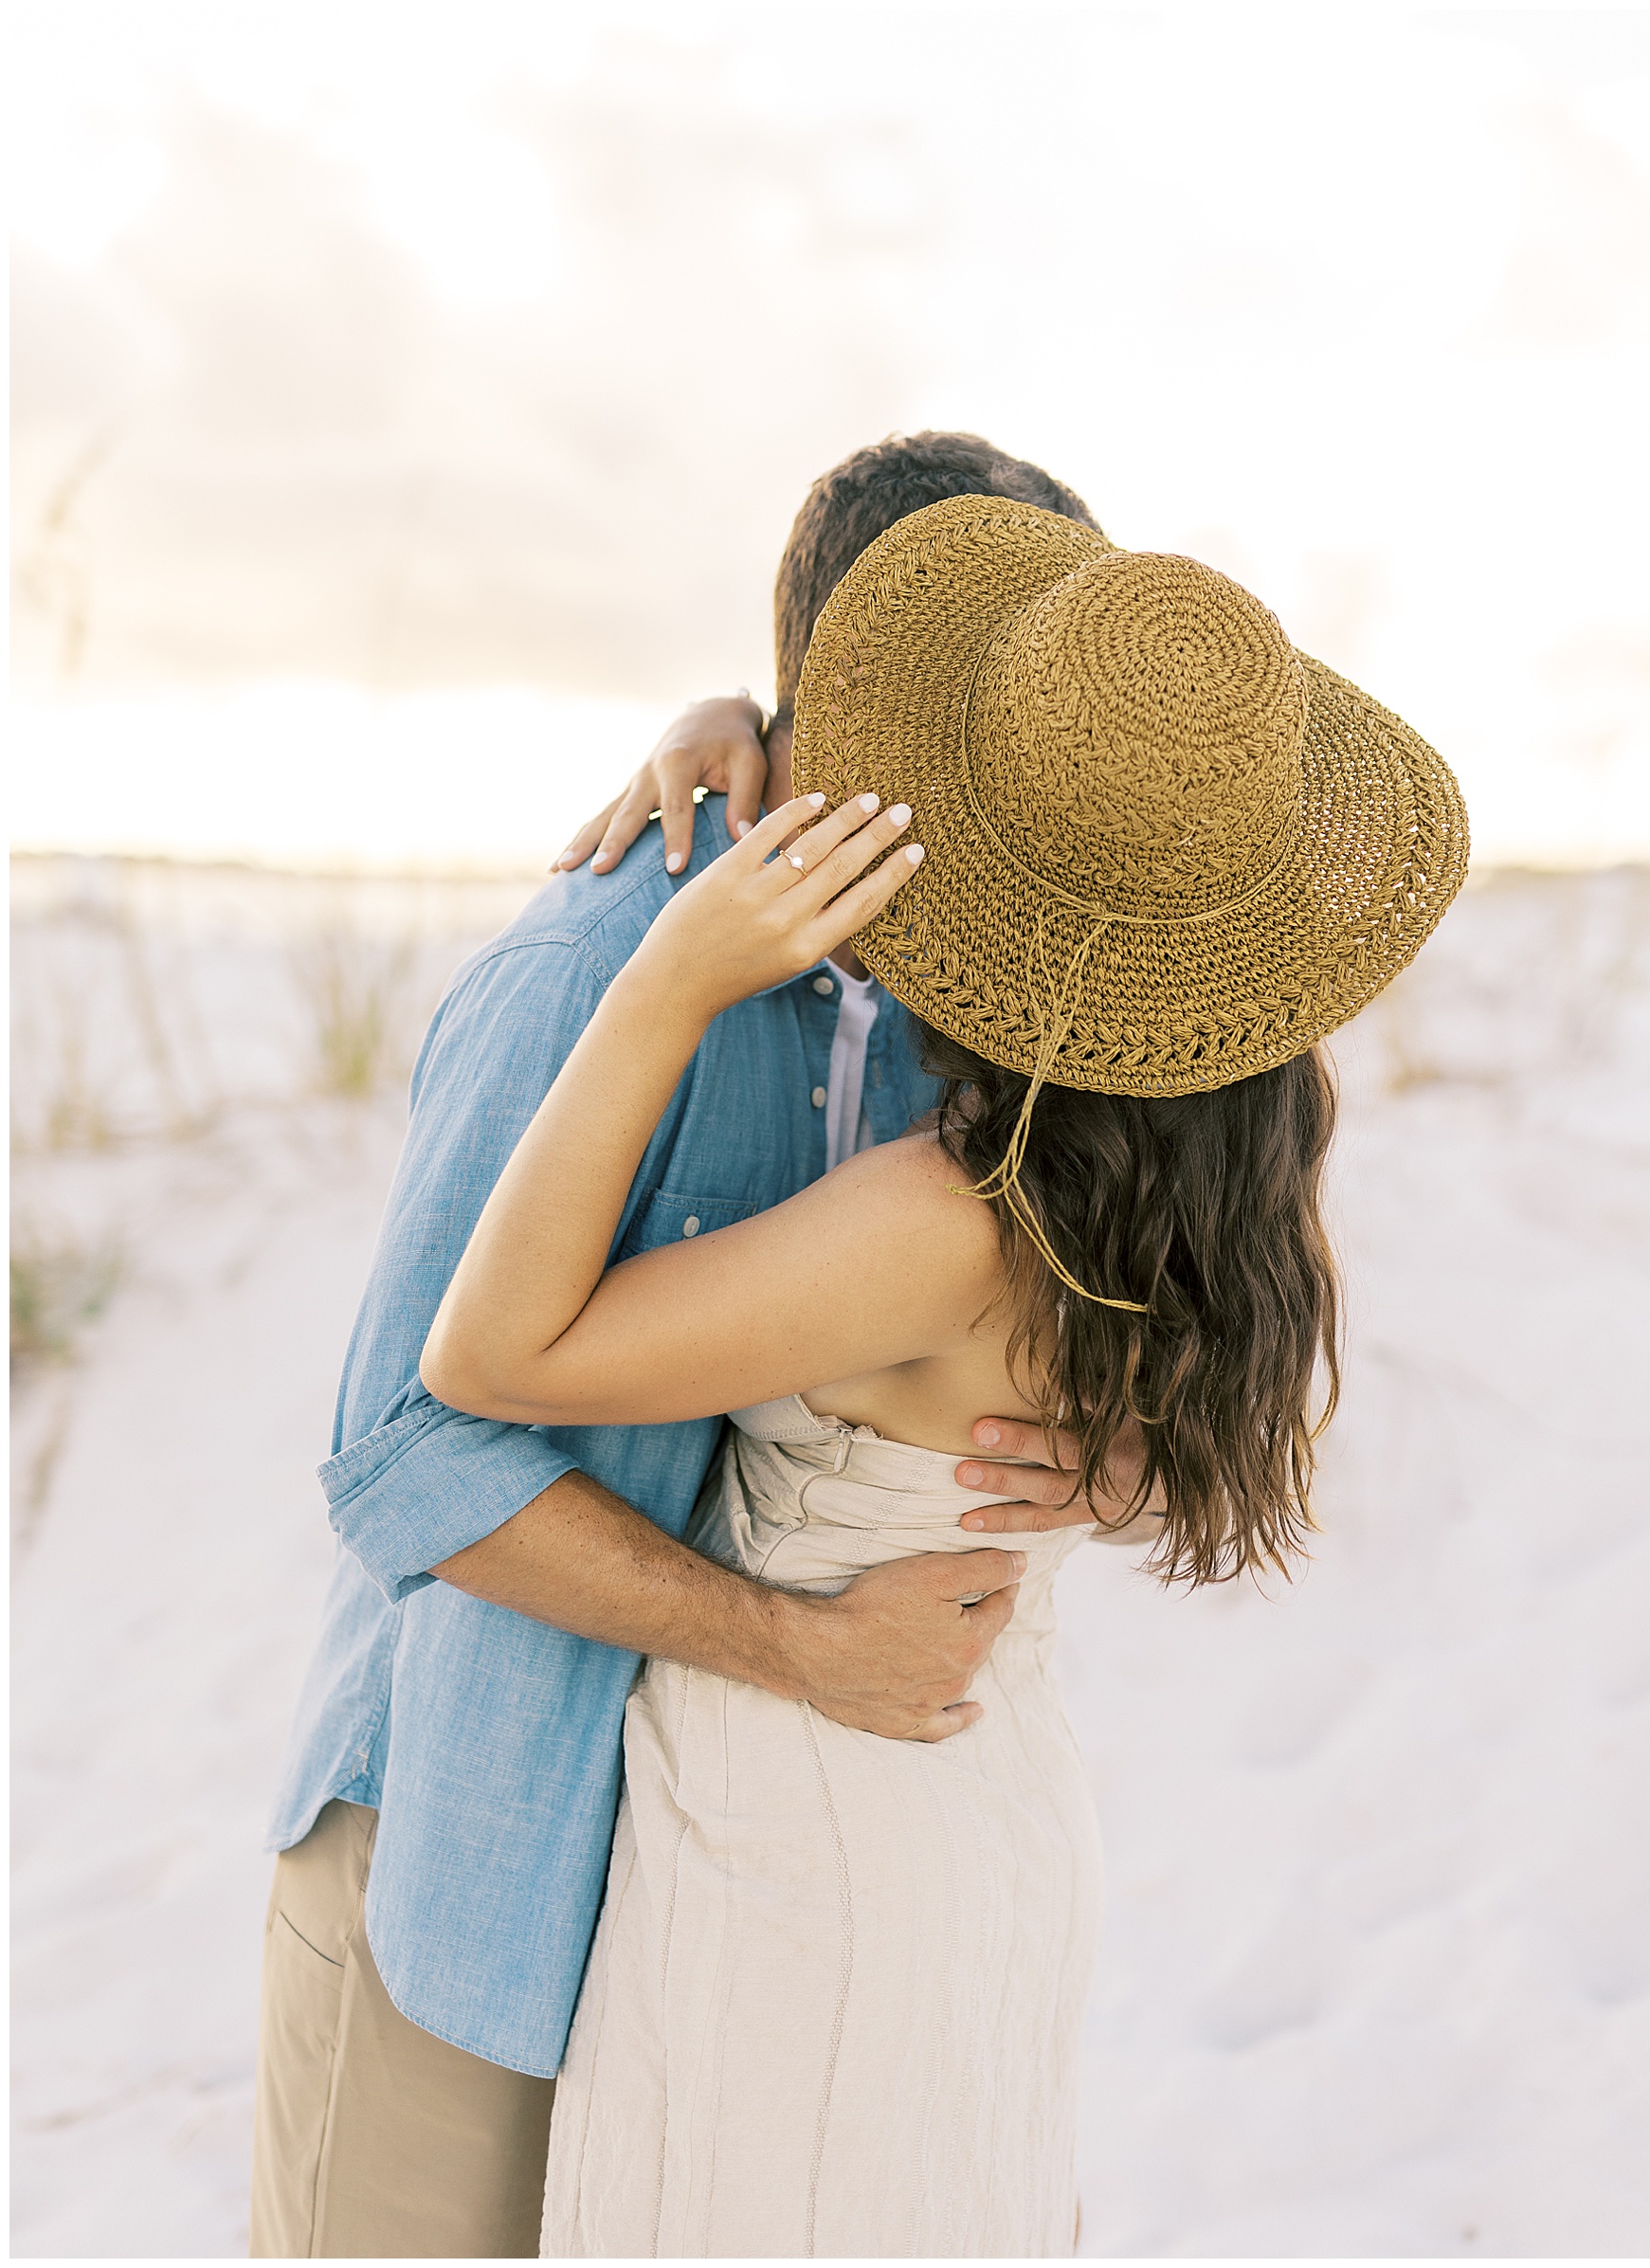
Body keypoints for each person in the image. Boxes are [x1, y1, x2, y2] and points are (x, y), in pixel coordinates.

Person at [424, 496, 1470, 2257]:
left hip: (813, 1840)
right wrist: (724, 725)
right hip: (985, 1810)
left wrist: (668, 983)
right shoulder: (1214, 1187)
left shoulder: (943, 1221)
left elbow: (490, 1352)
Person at [249, 433, 1124, 2261]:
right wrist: (800, 1648)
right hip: (473, 1855)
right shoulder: (590, 969)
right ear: (866, 699)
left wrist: (1106, 1446)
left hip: (721, 1888)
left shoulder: (961, 1002)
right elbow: (400, 1454)